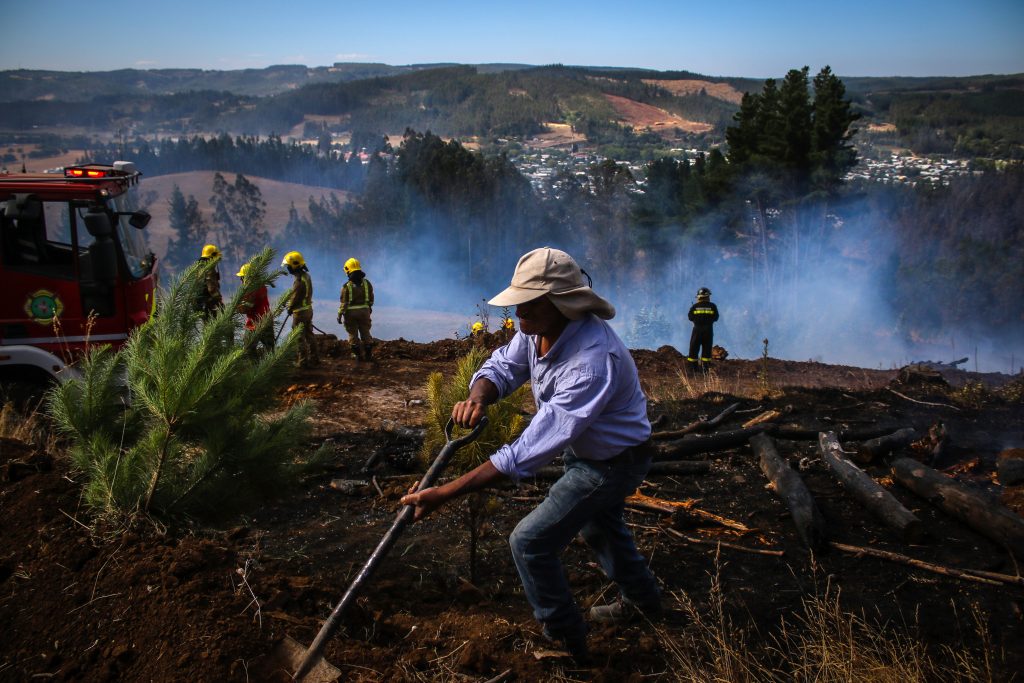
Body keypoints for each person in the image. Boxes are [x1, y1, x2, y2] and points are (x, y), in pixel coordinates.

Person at [401, 247, 661, 666]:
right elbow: (502, 367)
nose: (518, 311)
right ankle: (645, 603)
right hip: (591, 452)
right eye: (519, 301)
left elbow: (526, 453)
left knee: (530, 542)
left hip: (614, 463)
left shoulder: (592, 363)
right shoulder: (536, 328)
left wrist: (444, 493)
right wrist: (478, 397)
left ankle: (566, 641)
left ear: (563, 304)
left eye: (530, 303)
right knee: (601, 528)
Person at [281, 250, 319, 368]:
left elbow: (295, 297)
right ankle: (315, 359)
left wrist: (289, 308)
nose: (288, 268)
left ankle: (302, 362)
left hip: (300, 313)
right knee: (309, 334)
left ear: (294, 266)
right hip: (308, 310)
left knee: (298, 337)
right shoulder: (306, 276)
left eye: (288, 266)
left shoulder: (298, 281)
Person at [337, 257, 375, 363]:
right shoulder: (367, 283)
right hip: (364, 312)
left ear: (348, 271)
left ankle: (357, 355)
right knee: (365, 332)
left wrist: (339, 314)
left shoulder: (346, 286)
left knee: (352, 333)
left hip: (350, 314)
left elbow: (344, 303)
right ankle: (368, 354)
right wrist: (369, 308)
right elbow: (371, 298)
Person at [235, 263, 275, 355]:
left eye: (242, 277)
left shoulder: (252, 290)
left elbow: (245, 308)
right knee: (269, 349)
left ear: (249, 277)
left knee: (248, 349)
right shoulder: (261, 286)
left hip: (255, 322)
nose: (241, 279)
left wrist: (235, 307)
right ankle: (270, 363)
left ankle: (254, 364)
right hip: (266, 319)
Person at [686, 287, 719, 370]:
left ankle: (693, 368)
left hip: (697, 330)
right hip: (708, 330)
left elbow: (690, 317)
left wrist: (697, 320)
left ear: (699, 297)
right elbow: (716, 317)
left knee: (694, 348)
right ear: (708, 297)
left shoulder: (694, 306)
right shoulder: (712, 306)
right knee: (707, 349)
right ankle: (705, 368)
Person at [196, 244, 224, 320]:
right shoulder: (209, 269)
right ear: (212, 257)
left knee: (207, 324)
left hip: (201, 303)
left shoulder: (199, 267)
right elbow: (212, 288)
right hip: (208, 303)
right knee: (212, 324)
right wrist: (220, 301)